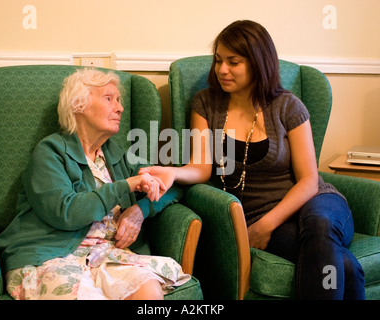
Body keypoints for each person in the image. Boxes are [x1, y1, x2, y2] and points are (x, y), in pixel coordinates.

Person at [139, 20, 365, 299]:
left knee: (319, 226)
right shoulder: (206, 103)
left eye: (233, 62)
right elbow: (200, 167)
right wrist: (172, 173)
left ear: (258, 63)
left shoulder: (287, 106)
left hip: (315, 203)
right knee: (343, 265)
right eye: (219, 60)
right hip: (258, 214)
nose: (222, 69)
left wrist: (264, 227)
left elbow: (309, 181)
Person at [0, 68, 190, 300]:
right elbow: (67, 213)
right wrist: (127, 185)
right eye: (109, 99)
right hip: (50, 256)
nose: (120, 108)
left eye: (118, 100)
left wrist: (139, 211)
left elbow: (172, 186)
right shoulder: (50, 153)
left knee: (149, 292)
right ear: (78, 105)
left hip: (105, 256)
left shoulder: (115, 155)